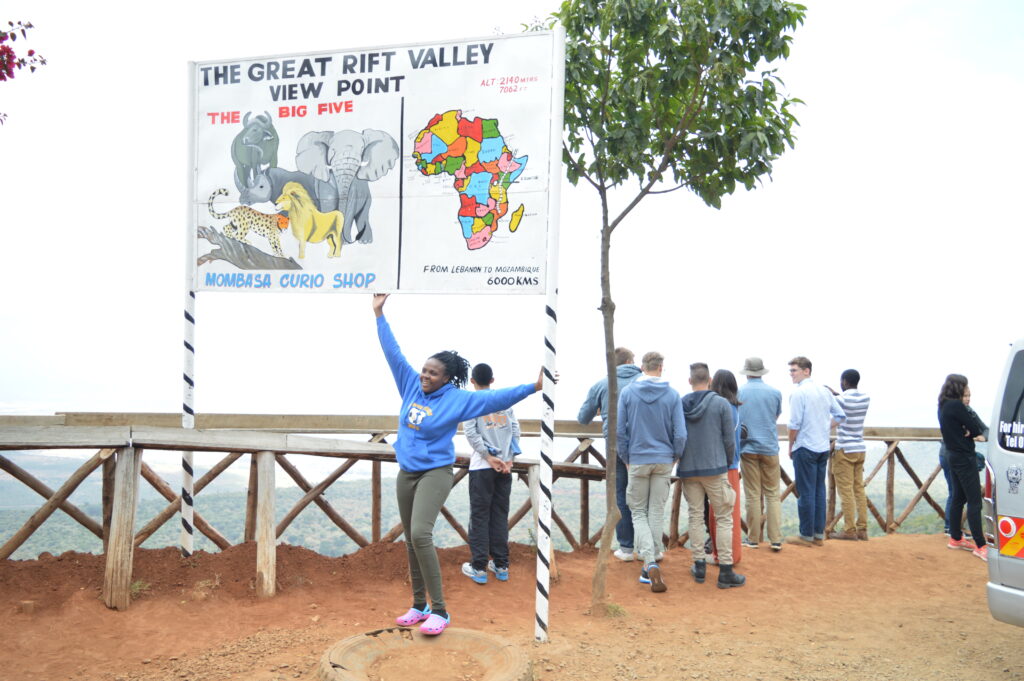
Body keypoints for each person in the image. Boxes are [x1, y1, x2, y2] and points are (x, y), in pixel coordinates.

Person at [373, 294, 542, 635]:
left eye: (433, 373)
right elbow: (393, 352)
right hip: (407, 473)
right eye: (424, 369)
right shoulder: (409, 384)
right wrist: (379, 314)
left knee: (421, 533)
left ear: (447, 378)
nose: (425, 376)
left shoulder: (457, 399)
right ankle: (418, 604)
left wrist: (533, 387)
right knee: (410, 539)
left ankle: (440, 610)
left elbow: (494, 398)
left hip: (435, 472)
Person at [616, 351, 687, 592]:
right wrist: (674, 456)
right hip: (663, 459)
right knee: (656, 510)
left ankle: (649, 563)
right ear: (661, 367)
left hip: (637, 458)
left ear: (642, 367)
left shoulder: (627, 393)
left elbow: (620, 432)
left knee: (637, 512)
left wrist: (626, 458)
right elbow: (681, 434)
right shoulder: (672, 395)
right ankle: (652, 559)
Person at [679, 362, 745, 588]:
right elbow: (729, 440)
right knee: (724, 517)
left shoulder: (681, 404)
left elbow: (677, 435)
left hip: (689, 469)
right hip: (716, 468)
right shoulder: (721, 404)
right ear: (709, 381)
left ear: (690, 381)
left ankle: (699, 566)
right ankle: (725, 571)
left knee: (695, 516)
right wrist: (726, 464)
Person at [578, 347, 643, 561]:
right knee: (647, 496)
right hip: (646, 445)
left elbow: (583, 418)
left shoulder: (601, 385)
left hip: (615, 445)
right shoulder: (645, 381)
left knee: (621, 495)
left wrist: (601, 411)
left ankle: (626, 548)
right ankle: (648, 548)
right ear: (631, 361)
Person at [461, 363, 521, 585]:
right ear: (493, 380)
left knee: (479, 517)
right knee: (499, 515)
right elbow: (515, 430)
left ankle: (478, 568)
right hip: (504, 467)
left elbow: (471, 433)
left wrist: (487, 456)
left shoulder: (473, 401)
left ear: (472, 382)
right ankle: (501, 564)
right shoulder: (504, 402)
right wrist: (509, 459)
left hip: (482, 467)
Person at [786, 356, 846, 547]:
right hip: (822, 447)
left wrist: (790, 444)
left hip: (805, 446)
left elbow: (794, 424)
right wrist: (823, 428)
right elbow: (840, 415)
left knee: (806, 492)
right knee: (819, 490)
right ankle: (818, 534)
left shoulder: (798, 393)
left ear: (806, 371)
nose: (791, 374)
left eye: (794, 370)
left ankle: (806, 535)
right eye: (791, 371)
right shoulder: (824, 391)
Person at [938, 374, 989, 561]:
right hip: (964, 457)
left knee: (958, 497)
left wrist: (965, 430)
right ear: (959, 388)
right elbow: (976, 428)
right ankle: (981, 545)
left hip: (951, 455)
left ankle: (955, 537)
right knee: (974, 500)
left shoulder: (943, 404)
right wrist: (968, 431)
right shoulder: (957, 406)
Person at [737, 357, 783, 551]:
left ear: (747, 373)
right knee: (773, 494)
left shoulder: (739, 392)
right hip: (770, 447)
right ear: (762, 372)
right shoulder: (775, 393)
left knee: (753, 494)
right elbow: (775, 416)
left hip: (748, 448)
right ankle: (776, 539)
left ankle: (753, 539)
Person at [826, 370, 871, 541]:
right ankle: (862, 529)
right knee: (858, 489)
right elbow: (848, 402)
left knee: (845, 491)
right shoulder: (866, 398)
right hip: (860, 448)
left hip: (844, 449)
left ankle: (849, 530)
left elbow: (835, 407)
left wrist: (830, 394)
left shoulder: (840, 400)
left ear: (844, 381)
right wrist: (837, 395)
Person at [708, 369, 743, 565]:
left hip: (725, 465)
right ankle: (721, 554)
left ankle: (728, 556)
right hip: (729, 465)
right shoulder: (733, 407)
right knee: (723, 513)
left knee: (726, 514)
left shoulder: (725, 408)